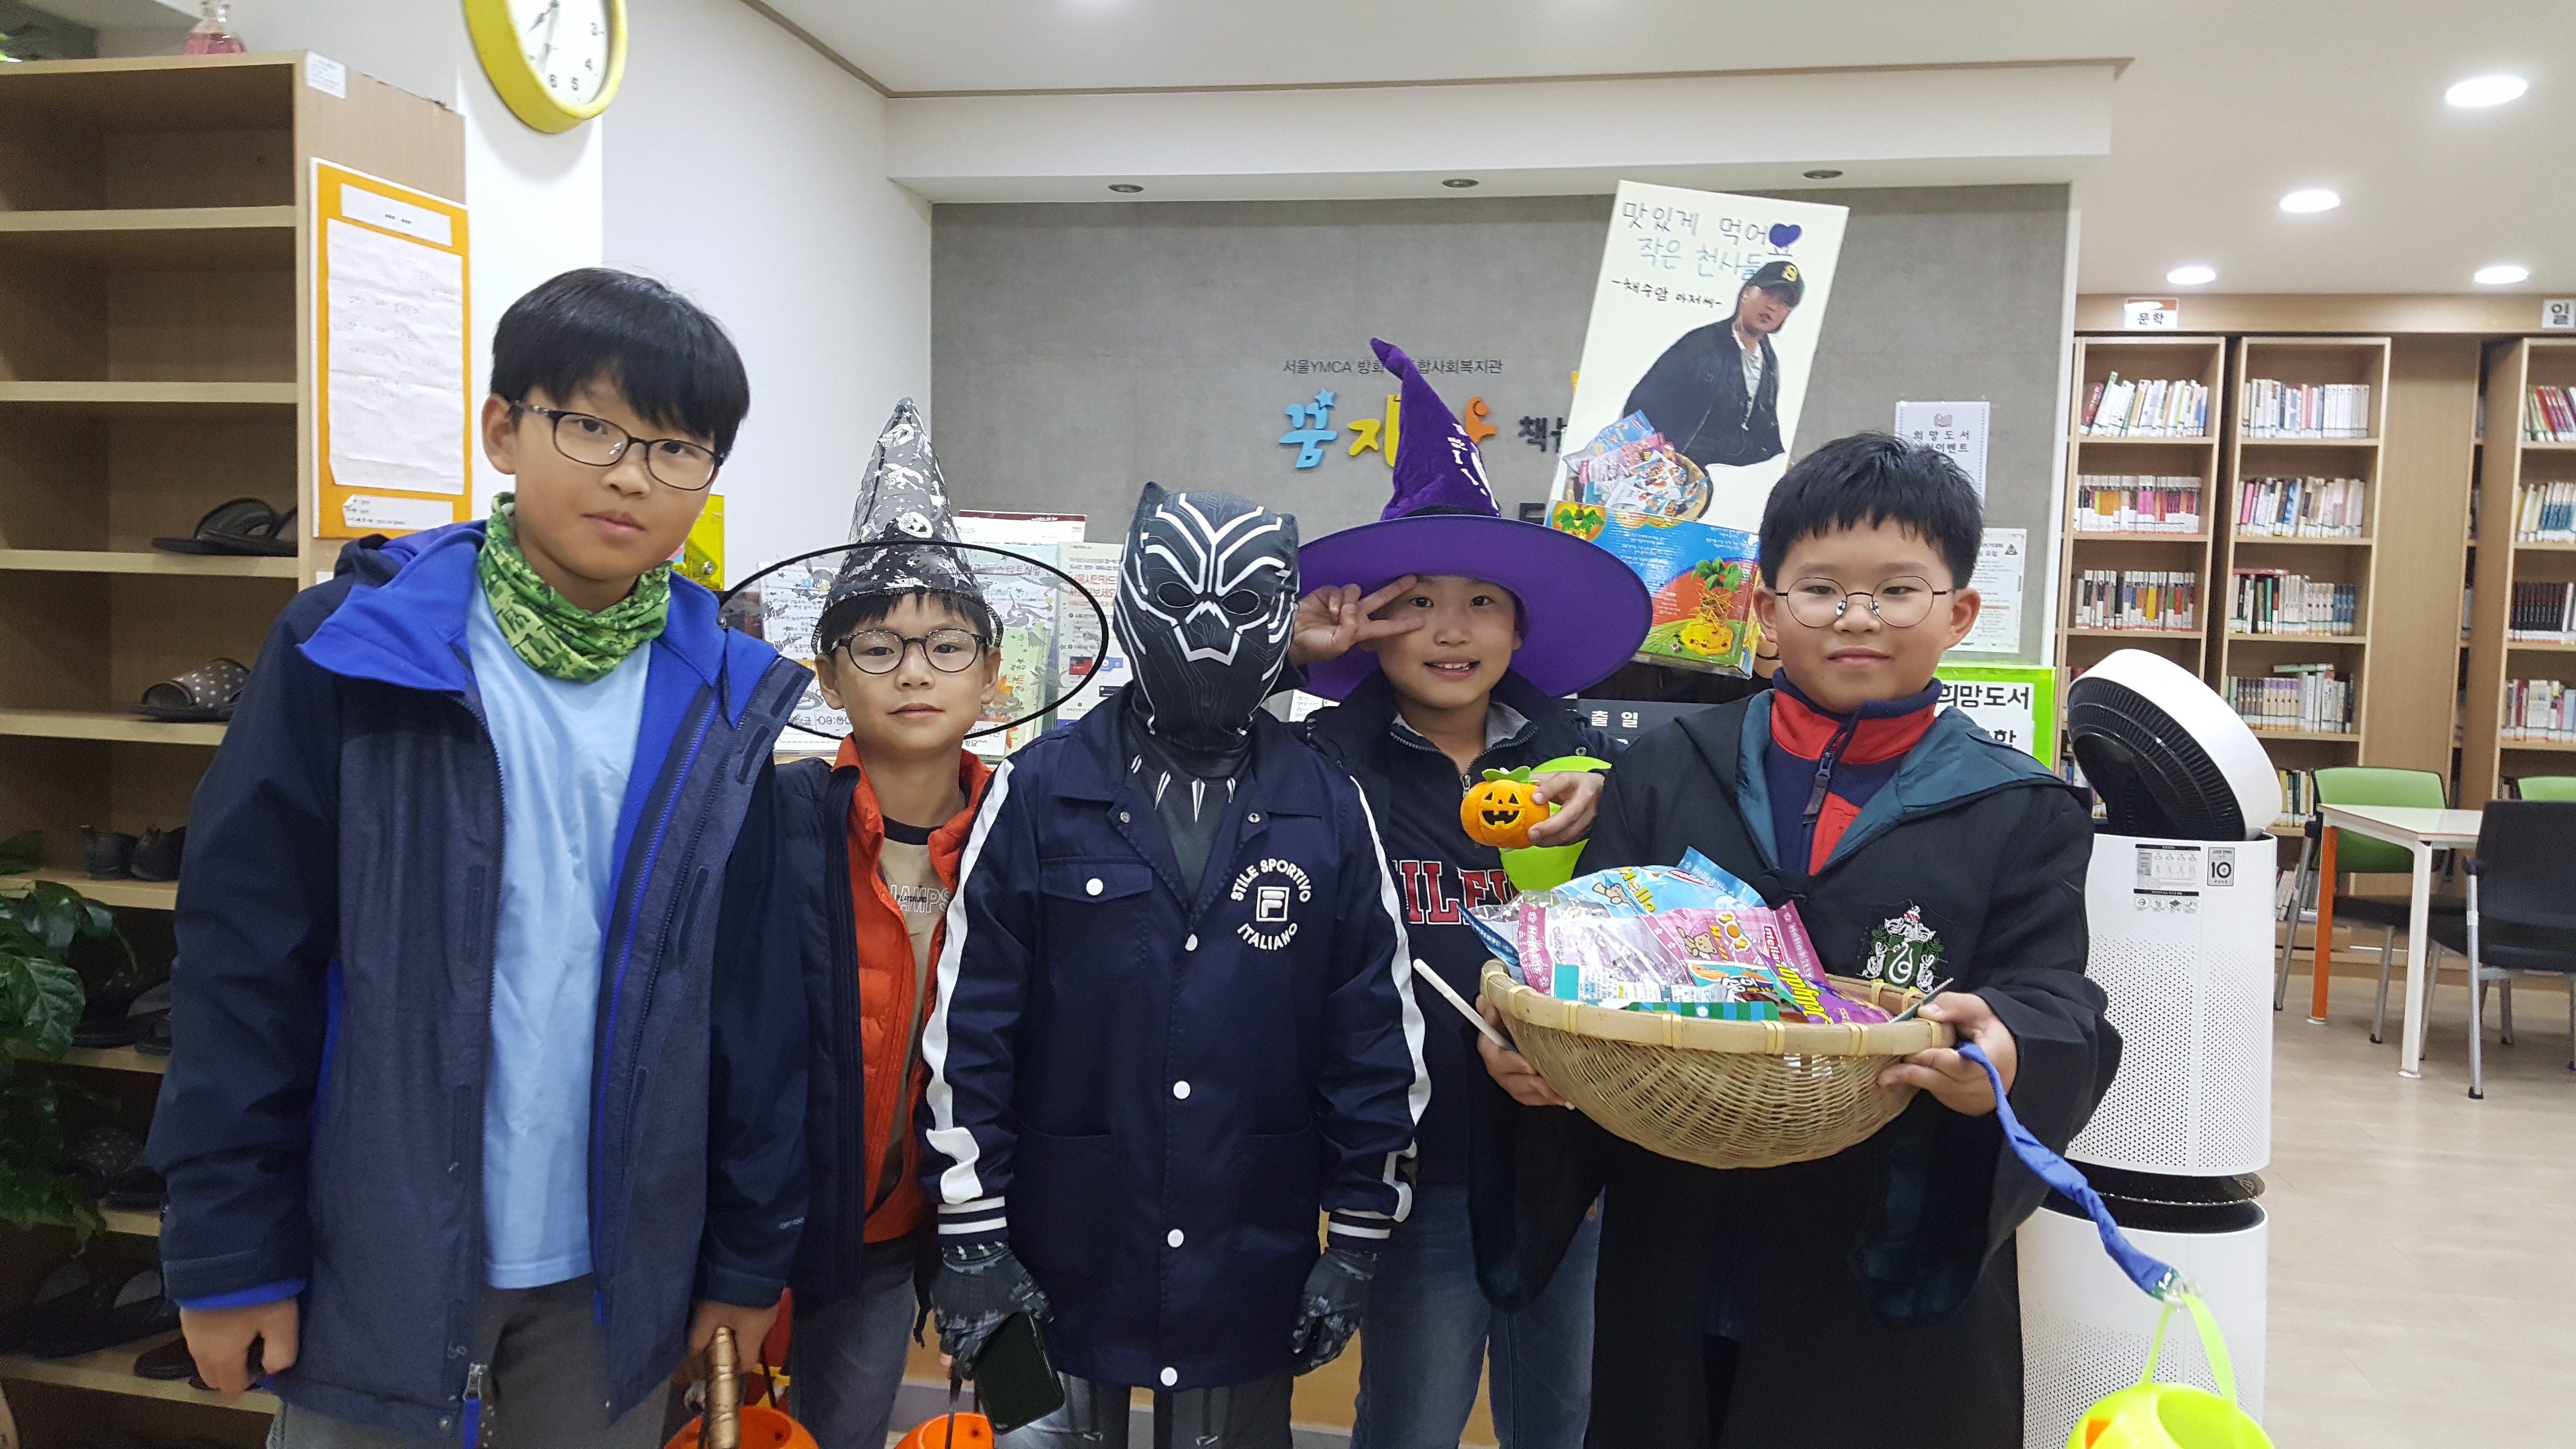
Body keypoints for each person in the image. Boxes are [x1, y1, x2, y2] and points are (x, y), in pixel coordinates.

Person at [147, 269, 811, 1448]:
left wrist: (747, 1257)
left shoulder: (723, 695)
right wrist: (229, 1246)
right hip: (374, 1242)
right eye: (592, 427)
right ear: (504, 428)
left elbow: (752, 1008)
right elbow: (244, 959)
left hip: (614, 1264)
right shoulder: (352, 649)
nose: (630, 476)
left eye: (675, 449)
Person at [1471, 434, 2123, 1449]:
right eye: (1820, 589)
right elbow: (1587, 961)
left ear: (1958, 613)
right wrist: (1529, 1050)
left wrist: (2004, 1046)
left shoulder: (2018, 807)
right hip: (1674, 1230)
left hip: (1868, 1250)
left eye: (1897, 589)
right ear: (1767, 612)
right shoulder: (1668, 770)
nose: (1856, 616)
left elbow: (2050, 993)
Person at [922, 482, 1430, 1449]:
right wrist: (971, 1230)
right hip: (1059, 1243)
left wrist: (1359, 1234)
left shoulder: (1326, 802)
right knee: (1042, 1436)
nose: (1205, 631)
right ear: (1128, 598)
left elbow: (1372, 1028)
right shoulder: (1042, 788)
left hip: (1246, 1243)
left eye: (1240, 603)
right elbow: (971, 1021)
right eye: (1173, 594)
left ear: (1279, 615)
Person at [1287, 338, 1649, 1449]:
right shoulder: (1320, 769)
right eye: (1416, 602)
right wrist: (1287, 656)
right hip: (1413, 1159)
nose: (1451, 630)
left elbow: (1662, 925)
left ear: (1520, 628)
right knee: (1410, 1411)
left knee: (1564, 1409)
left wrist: (1613, 803)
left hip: (1571, 1146)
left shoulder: (1589, 768)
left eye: (1482, 601)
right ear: (1368, 621)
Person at [770, 401, 1002, 1449]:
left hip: (918, 1230)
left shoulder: (1021, 833)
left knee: (846, 1431)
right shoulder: (775, 822)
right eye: (879, 645)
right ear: (828, 674)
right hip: (769, 1218)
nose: (914, 671)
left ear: (990, 672)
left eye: (946, 645)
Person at [1619, 259, 1804, 471]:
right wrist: (1659, 465)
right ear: (1746, 293)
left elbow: (1764, 429)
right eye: (1768, 294)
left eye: (1785, 303)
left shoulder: (1769, 362)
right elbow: (1641, 407)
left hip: (1735, 474)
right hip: (1679, 469)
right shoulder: (1700, 346)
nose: (1773, 306)